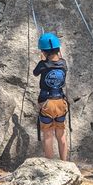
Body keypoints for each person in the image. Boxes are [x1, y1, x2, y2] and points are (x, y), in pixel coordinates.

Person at [32, 32, 69, 161]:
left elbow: (35, 73)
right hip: (61, 102)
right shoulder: (63, 64)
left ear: (44, 51)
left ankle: (51, 165)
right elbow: (59, 63)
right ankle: (64, 162)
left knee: (48, 136)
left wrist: (43, 59)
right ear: (58, 49)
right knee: (61, 134)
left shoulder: (42, 65)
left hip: (46, 103)